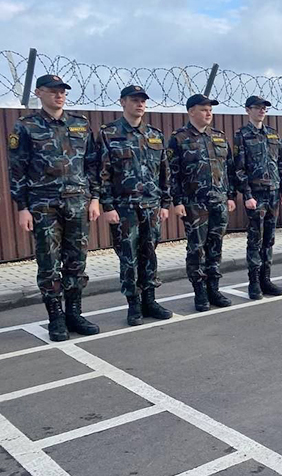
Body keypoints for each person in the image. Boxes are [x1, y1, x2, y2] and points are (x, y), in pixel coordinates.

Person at [7, 74, 101, 341]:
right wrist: (22, 207)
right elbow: (17, 169)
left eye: (62, 91)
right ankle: (56, 317)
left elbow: (92, 164)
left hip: (77, 202)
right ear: (39, 93)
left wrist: (94, 198)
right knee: (48, 262)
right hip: (43, 204)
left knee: (76, 260)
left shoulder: (80, 124)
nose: (59, 95)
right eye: (52, 91)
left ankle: (74, 313)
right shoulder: (26, 126)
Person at [97, 85, 173, 326]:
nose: (140, 104)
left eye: (142, 100)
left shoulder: (155, 134)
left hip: (152, 205)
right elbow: (102, 173)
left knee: (149, 253)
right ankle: (133, 304)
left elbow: (164, 172)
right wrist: (107, 206)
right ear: (122, 102)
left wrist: (165, 203)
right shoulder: (109, 133)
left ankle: (150, 300)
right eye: (134, 100)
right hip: (124, 207)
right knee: (128, 257)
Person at [167, 94, 237, 311]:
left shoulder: (218, 136)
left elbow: (229, 169)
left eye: (210, 110)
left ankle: (213, 289)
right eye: (204, 109)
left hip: (219, 201)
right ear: (191, 112)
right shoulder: (179, 138)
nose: (208, 113)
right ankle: (200, 293)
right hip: (194, 204)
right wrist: (177, 201)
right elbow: (172, 173)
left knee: (215, 247)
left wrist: (230, 196)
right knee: (196, 249)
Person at [230, 96, 282, 299]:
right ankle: (254, 282)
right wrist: (247, 194)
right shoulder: (242, 135)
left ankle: (266, 279)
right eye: (257, 107)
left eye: (264, 108)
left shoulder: (272, 134)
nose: (262, 111)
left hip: (273, 193)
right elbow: (239, 168)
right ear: (248, 110)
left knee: (269, 239)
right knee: (255, 239)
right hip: (256, 195)